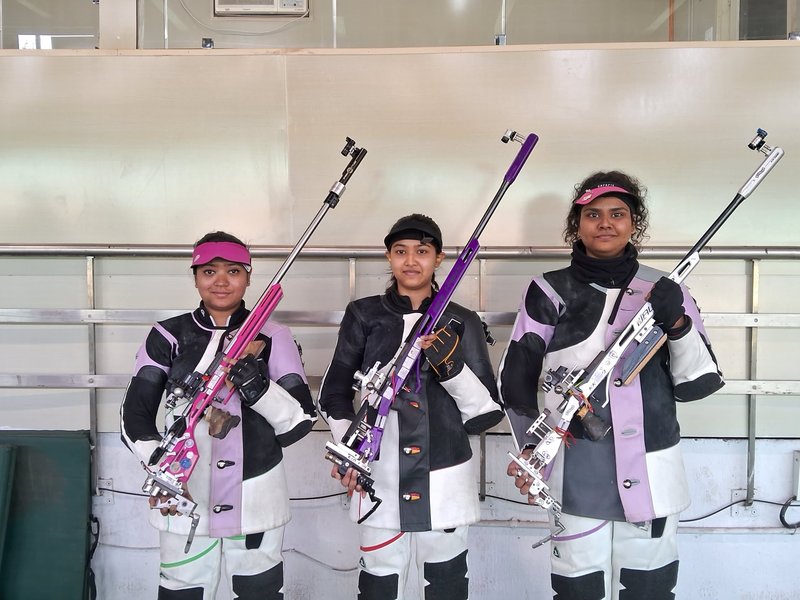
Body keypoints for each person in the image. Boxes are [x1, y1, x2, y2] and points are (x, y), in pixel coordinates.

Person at [498, 172, 724, 600]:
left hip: (653, 465)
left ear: (633, 223)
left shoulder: (666, 290)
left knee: (650, 588)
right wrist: (532, 450)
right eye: (593, 214)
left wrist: (676, 323)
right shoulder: (548, 289)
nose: (606, 223)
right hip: (573, 464)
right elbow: (515, 378)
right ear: (576, 225)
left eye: (617, 214)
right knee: (577, 588)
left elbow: (698, 382)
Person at [120, 231, 316, 600]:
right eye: (209, 271)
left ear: (248, 276)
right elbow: (134, 415)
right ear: (194, 276)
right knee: (182, 591)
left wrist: (256, 387)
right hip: (183, 494)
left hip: (257, 493)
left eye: (233, 271)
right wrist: (163, 466)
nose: (222, 281)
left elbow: (301, 421)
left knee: (259, 592)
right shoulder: (167, 335)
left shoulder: (275, 336)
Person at [318, 214, 504, 600]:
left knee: (447, 587)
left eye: (422, 251)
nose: (411, 260)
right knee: (378, 586)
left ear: (438, 258)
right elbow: (333, 393)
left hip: (446, 476)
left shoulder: (462, 320)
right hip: (378, 474)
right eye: (400, 251)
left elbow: (486, 413)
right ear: (388, 257)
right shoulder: (363, 314)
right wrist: (351, 451)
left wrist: (451, 368)